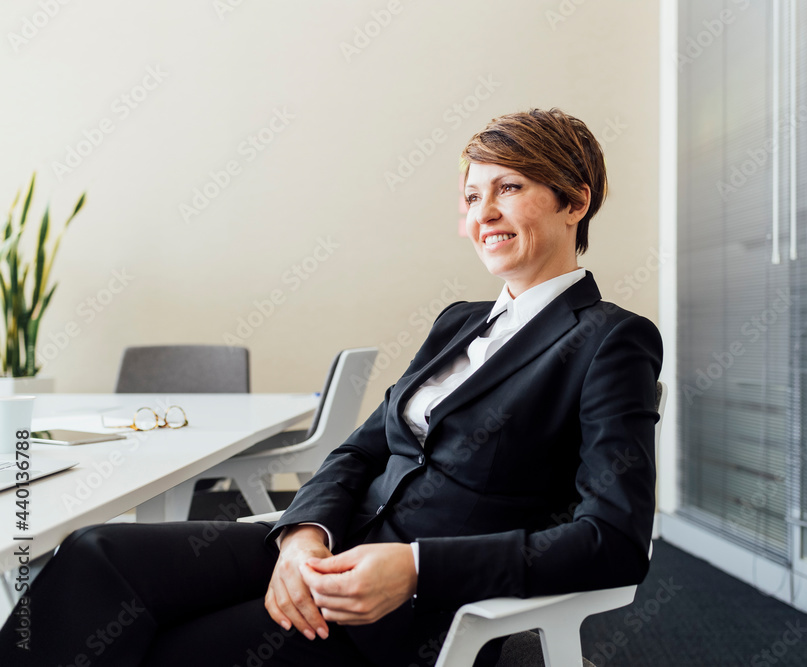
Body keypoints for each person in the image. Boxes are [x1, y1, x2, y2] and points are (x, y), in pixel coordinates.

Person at [0, 108, 662, 666]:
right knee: (95, 552)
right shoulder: (459, 322)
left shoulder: (611, 340)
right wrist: (303, 532)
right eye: (470, 196)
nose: (482, 213)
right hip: (333, 543)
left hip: (402, 607)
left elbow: (614, 540)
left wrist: (417, 567)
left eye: (508, 187)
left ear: (576, 201)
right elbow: (359, 449)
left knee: (157, 646)